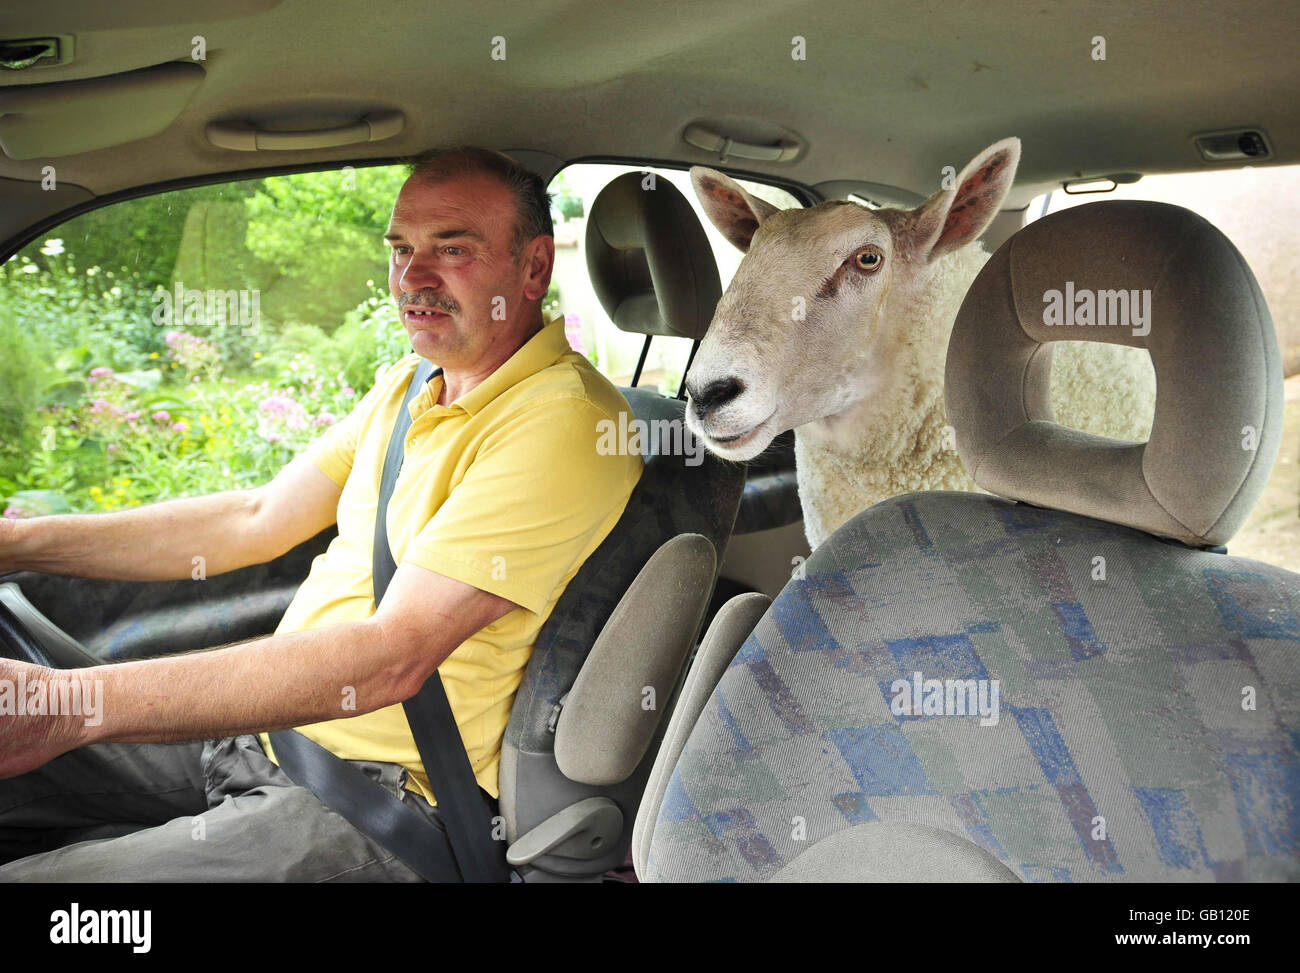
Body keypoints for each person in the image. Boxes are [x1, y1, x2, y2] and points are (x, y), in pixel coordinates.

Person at [0, 147, 643, 881]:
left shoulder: (563, 423)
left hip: (373, 806)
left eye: (452, 249)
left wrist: (64, 705)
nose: (413, 277)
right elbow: (254, 516)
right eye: (401, 249)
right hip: (270, 735)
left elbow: (390, 656)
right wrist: (16, 542)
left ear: (533, 268)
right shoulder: (415, 382)